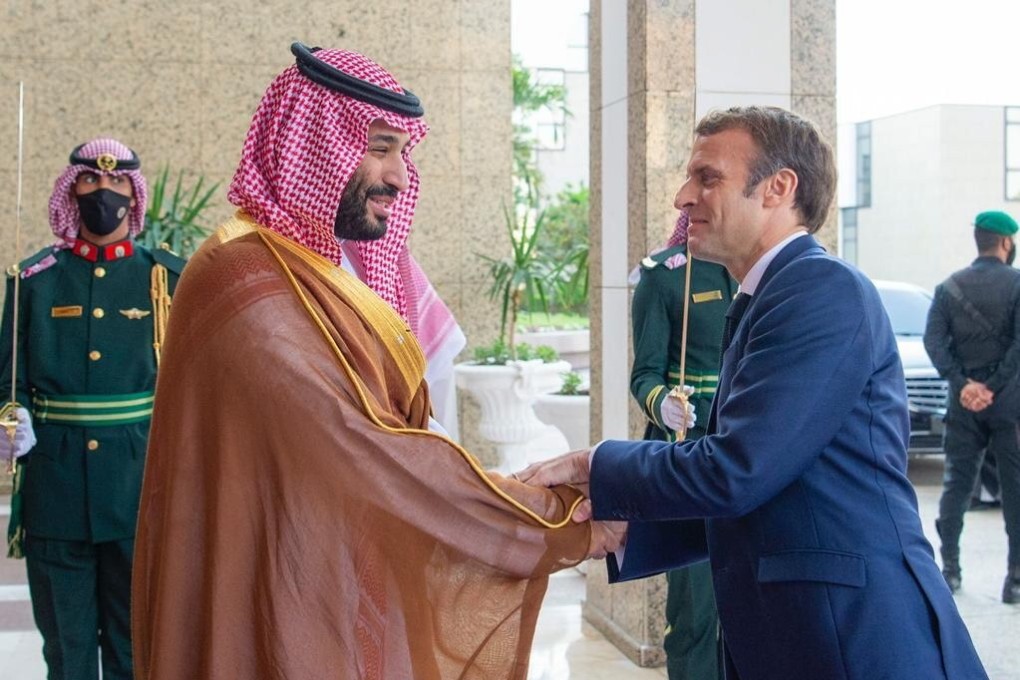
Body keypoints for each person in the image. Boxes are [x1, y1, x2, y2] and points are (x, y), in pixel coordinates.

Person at [130, 44, 623, 680]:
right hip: (272, 592)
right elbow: (370, 447)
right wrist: (557, 519)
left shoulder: (317, 266)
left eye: (403, 152)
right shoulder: (246, 278)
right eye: (380, 147)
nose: (398, 176)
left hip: (336, 579)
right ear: (314, 141)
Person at [519, 106, 987, 679]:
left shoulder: (820, 288)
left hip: (854, 638)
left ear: (778, 188)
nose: (683, 197)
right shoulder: (766, 295)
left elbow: (739, 468)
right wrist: (625, 528)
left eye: (708, 177)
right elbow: (772, 487)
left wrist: (597, 464)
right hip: (797, 635)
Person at [0, 138, 185, 680]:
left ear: (136, 194)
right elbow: (8, 380)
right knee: (67, 651)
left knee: (136, 649)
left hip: (139, 487)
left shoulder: (167, 279)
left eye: (118, 183)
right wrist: (12, 418)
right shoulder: (34, 280)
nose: (104, 193)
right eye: (90, 181)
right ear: (70, 191)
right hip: (55, 490)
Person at [629, 210, 734, 679]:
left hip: (751, 453)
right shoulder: (666, 276)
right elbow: (645, 373)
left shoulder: (761, 273)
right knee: (694, 607)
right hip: (688, 452)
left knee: (751, 608)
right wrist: (662, 403)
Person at [923, 210, 1020, 603]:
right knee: (1015, 489)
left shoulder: (948, 288)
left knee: (956, 485)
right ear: (1005, 243)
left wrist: (964, 385)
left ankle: (950, 570)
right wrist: (992, 387)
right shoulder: (1017, 285)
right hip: (1010, 405)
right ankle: (1014, 579)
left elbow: (934, 342)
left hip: (962, 405)